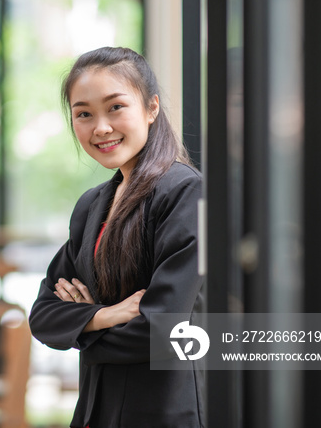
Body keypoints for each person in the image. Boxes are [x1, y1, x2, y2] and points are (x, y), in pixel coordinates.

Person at [28, 46, 205, 427]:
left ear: (151, 108)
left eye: (116, 107)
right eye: (84, 114)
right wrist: (108, 315)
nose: (101, 127)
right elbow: (43, 316)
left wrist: (81, 330)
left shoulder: (185, 192)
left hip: (161, 411)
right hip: (98, 408)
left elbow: (165, 331)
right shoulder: (92, 206)